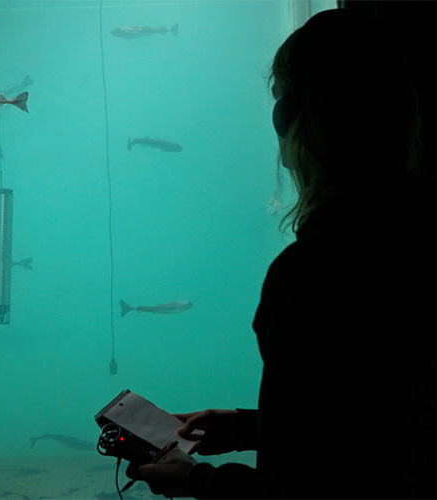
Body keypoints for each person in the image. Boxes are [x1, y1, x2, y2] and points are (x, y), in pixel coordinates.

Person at [126, 8, 437, 499]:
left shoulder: (314, 271)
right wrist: (251, 427)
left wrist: (200, 481)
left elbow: (318, 486)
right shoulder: (423, 232)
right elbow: (372, 420)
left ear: (296, 118)